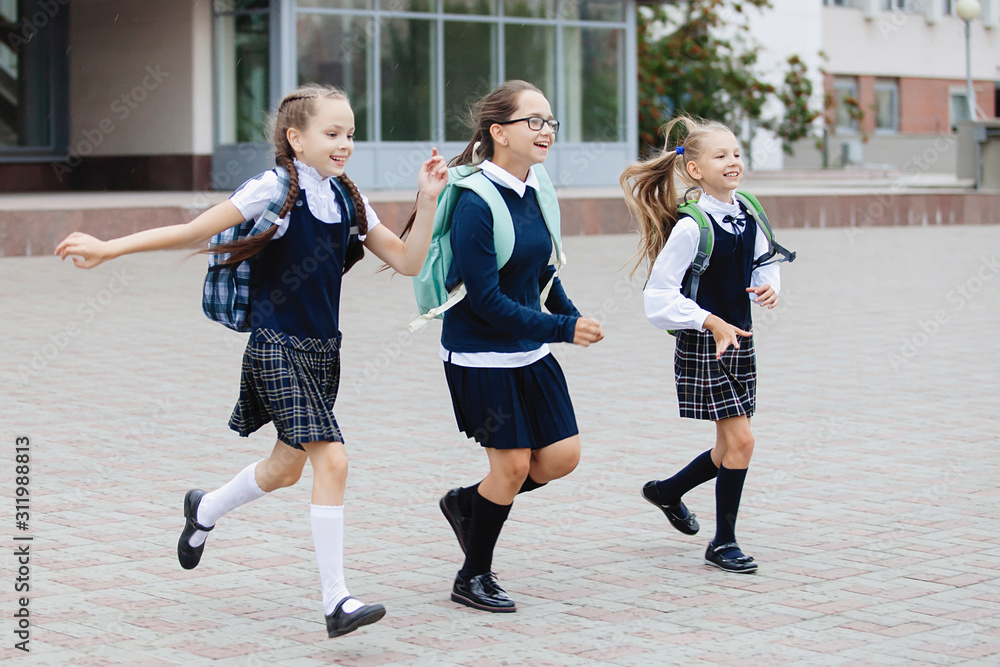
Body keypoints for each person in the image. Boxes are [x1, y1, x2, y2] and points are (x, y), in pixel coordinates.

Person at [54, 84, 449, 636]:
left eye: (351, 134)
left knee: (285, 471)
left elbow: (408, 262)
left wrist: (427, 199)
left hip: (323, 353)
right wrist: (108, 248)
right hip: (275, 348)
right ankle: (337, 601)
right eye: (332, 134)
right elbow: (194, 230)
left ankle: (205, 509)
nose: (345, 145)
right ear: (296, 138)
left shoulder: (348, 198)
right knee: (332, 461)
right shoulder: (272, 187)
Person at [430, 80, 604, 612]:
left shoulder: (535, 188)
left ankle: (468, 504)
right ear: (499, 131)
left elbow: (542, 271)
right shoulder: (475, 202)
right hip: (481, 354)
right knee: (510, 468)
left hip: (528, 348)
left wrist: (568, 314)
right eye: (534, 121)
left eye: (550, 121)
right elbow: (483, 300)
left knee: (559, 458)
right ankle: (472, 576)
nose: (546, 130)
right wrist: (560, 331)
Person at [620, 115, 781, 574]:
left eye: (736, 153)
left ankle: (668, 491)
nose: (733, 161)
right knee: (742, 442)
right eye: (720, 155)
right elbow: (658, 298)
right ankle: (723, 542)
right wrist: (708, 320)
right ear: (694, 170)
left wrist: (769, 287)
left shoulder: (749, 210)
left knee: (730, 447)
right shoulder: (692, 227)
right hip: (705, 345)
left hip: (740, 341)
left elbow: (764, 261)